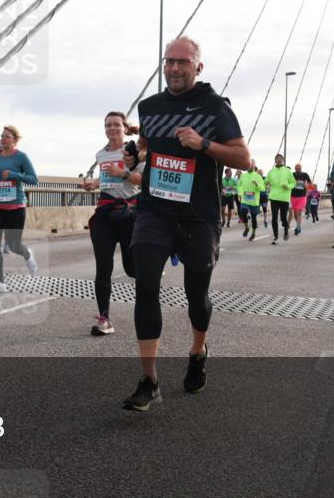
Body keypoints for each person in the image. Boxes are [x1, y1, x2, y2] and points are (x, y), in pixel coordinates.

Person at [121, 35, 250, 411]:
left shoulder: (215, 107)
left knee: (197, 298)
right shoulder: (150, 106)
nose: (175, 68)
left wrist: (204, 145)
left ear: (198, 66)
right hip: (154, 210)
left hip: (198, 216)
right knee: (145, 286)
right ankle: (149, 380)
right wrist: (136, 154)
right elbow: (146, 144)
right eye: (169, 62)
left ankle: (198, 350)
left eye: (183, 62)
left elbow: (242, 157)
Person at [82, 112, 143, 336]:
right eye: (108, 125)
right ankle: (105, 319)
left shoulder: (134, 151)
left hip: (128, 214)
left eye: (116, 124)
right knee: (103, 268)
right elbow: (106, 179)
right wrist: (93, 184)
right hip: (105, 214)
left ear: (125, 128)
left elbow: (144, 181)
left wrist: (123, 173)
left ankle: (152, 274)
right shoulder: (101, 154)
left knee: (132, 269)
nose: (112, 128)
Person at [0, 126, 39, 293]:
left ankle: (27, 254)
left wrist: (14, 175)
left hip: (16, 206)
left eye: (7, 136)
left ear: (15, 140)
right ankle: (0, 282)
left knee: (13, 245)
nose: (3, 139)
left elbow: (34, 179)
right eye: (1, 136)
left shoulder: (21, 157)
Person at [265, 154, 293, 244]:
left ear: (283, 161)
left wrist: (288, 186)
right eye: (277, 159)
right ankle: (275, 236)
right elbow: (265, 182)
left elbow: (293, 183)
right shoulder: (271, 172)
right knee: (274, 218)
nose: (279, 160)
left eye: (281, 158)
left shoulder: (288, 171)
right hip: (274, 197)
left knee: (283, 218)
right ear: (275, 161)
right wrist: (265, 183)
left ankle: (285, 229)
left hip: (284, 198)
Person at [237, 161, 265, 241]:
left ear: (254, 166)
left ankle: (253, 233)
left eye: (251, 165)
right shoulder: (243, 176)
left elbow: (263, 188)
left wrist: (257, 185)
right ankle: (246, 228)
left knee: (253, 218)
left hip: (254, 200)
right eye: (248, 165)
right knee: (243, 211)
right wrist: (239, 194)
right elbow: (239, 186)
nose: (249, 166)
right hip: (245, 199)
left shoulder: (258, 176)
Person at [290, 163, 311, 235]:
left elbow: (310, 183)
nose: (298, 169)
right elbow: (288, 183)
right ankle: (298, 224)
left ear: (301, 168)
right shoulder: (292, 175)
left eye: (299, 168)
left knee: (299, 212)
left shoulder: (305, 175)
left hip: (302, 196)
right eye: (297, 168)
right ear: (295, 168)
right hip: (293, 196)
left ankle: (298, 227)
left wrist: (306, 185)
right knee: (295, 213)